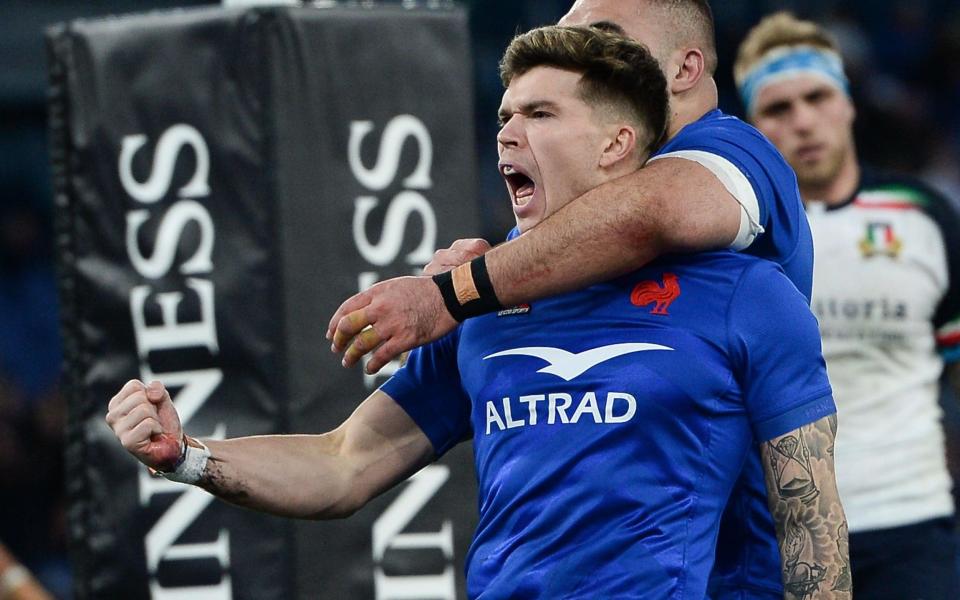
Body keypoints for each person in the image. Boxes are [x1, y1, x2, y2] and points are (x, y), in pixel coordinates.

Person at [106, 25, 848, 599]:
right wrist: (191, 458)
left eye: (540, 113)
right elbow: (344, 463)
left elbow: (811, 522)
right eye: (504, 114)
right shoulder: (484, 306)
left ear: (618, 142)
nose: (507, 132)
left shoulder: (744, 296)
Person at [326, 0, 812, 377]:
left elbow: (648, 211)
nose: (581, 59)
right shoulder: (549, 233)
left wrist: (451, 294)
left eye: (603, 39)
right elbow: (351, 460)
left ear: (684, 70)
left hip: (729, 502)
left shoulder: (738, 153)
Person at [734, 12, 960, 599]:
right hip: (780, 539)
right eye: (778, 109)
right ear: (751, 128)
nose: (803, 121)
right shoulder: (734, 244)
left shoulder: (927, 218)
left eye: (817, 96)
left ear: (849, 104)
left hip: (912, 524)